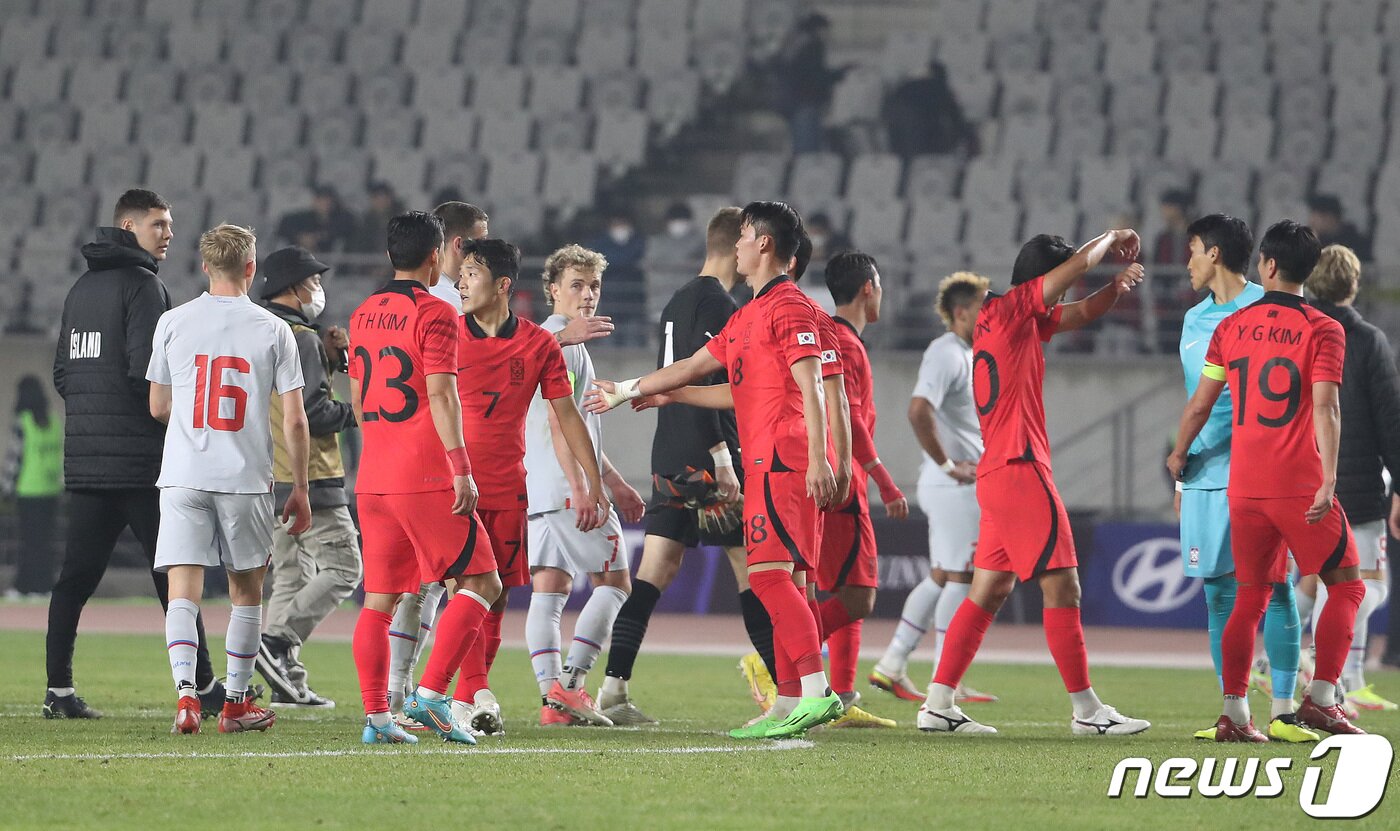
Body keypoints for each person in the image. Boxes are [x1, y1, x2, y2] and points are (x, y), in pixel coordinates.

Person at [588, 201, 844, 739]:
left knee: (771, 576)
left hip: (785, 459)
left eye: (747, 235)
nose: (740, 244)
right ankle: (788, 701)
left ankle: (816, 693)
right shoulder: (747, 314)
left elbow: (812, 384)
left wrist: (820, 458)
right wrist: (639, 391)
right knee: (787, 578)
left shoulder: (789, 307)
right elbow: (707, 375)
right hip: (763, 459)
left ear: (765, 245)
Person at [917, 230, 1151, 736]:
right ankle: (1088, 713)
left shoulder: (1009, 320)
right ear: (1044, 278)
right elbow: (1072, 277)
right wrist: (1113, 237)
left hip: (998, 474)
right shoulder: (1008, 309)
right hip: (1020, 469)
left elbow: (1080, 312)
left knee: (988, 592)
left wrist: (1116, 287)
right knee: (1063, 585)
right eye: (1057, 283)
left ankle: (937, 704)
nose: (1061, 297)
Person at [1169, 220, 1367, 741]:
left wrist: (1178, 455)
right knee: (1348, 587)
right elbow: (1326, 406)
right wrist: (1328, 477)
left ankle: (1234, 714)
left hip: (1243, 486)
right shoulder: (1325, 328)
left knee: (1248, 597)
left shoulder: (1227, 328)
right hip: (1298, 484)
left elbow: (1200, 403)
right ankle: (1321, 699)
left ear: (1269, 266)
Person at [47, 189, 221, 720]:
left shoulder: (80, 289)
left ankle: (58, 692)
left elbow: (62, 374)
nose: (168, 233)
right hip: (142, 460)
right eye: (158, 225)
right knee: (175, 574)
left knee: (74, 579)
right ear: (128, 225)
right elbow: (147, 373)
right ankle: (205, 686)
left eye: (169, 225)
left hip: (87, 461)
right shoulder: (144, 286)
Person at [148, 223, 312, 735]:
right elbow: (295, 420)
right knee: (246, 591)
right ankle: (237, 703)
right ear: (250, 267)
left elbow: (158, 406)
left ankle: (186, 698)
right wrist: (301, 487)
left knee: (183, 589)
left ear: (204, 266)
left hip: (183, 474)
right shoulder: (272, 329)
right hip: (244, 477)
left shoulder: (173, 322)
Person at [441, 239, 610, 735]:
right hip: (456, 487)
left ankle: (467, 695)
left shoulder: (538, 343)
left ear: (502, 285)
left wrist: (597, 480)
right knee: (459, 591)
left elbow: (568, 416)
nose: (461, 283)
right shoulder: (447, 334)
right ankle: (438, 694)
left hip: (511, 487)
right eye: (461, 273)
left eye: (471, 274)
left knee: (494, 600)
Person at [348, 211, 502, 746]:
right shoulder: (436, 312)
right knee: (483, 580)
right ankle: (433, 694)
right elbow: (440, 392)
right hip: (423, 473)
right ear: (436, 256)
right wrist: (461, 467)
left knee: (379, 599)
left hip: (374, 474)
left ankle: (378, 718)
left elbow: (356, 397)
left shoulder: (364, 312)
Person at [597, 208, 752, 726]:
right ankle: (787, 694)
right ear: (737, 247)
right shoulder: (719, 304)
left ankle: (613, 690)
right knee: (754, 571)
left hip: (669, 453)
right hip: (706, 458)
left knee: (654, 573)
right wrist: (723, 456)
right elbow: (704, 383)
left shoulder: (676, 300)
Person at [523, 245, 642, 728]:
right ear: (553, 290)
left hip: (542, 484)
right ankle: (569, 689)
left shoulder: (548, 338)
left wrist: (612, 479)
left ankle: (553, 699)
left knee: (549, 590)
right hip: (565, 484)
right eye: (576, 284)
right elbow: (557, 417)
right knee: (615, 583)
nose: (588, 294)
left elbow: (577, 426)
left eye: (594, 285)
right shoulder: (564, 341)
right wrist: (584, 487)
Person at [870, 272, 997, 706]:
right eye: (984, 305)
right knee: (963, 575)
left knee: (943, 576)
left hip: (952, 483)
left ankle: (892, 664)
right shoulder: (946, 353)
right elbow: (918, 409)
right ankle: (949, 680)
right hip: (953, 484)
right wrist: (947, 463)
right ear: (962, 312)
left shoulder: (966, 352)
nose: (991, 312)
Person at [254, 246, 360, 709]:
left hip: (267, 474)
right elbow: (314, 412)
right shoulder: (302, 337)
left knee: (292, 577)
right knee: (344, 568)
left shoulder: (260, 330)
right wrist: (360, 412)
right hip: (310, 475)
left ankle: (285, 679)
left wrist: (331, 361)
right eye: (314, 282)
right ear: (295, 288)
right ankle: (276, 642)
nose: (319, 289)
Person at [807, 251, 908, 728]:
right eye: (881, 284)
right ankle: (778, 662)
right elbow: (844, 413)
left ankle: (841, 698)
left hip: (839, 477)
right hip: (846, 479)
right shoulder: (843, 343)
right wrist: (885, 480)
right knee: (859, 594)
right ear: (869, 288)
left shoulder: (840, 338)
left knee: (845, 588)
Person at [1298, 244, 1400, 713]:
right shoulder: (1368, 340)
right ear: (1353, 285)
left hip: (1296, 477)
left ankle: (1334, 674)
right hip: (1354, 486)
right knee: (1366, 586)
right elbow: (1390, 421)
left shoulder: (1296, 332)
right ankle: (1325, 676)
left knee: (1316, 581)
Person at [2, 376, 63, 598]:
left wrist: (6, 488)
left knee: (27, 542)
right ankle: (44, 585)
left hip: (28, 491)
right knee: (45, 542)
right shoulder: (54, 421)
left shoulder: (23, 421)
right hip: (50, 490)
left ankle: (24, 586)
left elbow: (14, 459)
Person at [883, 59, 978, 157]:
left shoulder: (906, 87)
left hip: (899, 136)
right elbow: (957, 119)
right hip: (921, 138)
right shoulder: (940, 89)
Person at [777, 13, 834, 153]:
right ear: (818, 29)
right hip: (806, 103)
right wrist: (839, 75)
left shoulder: (794, 43)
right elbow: (816, 75)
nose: (828, 35)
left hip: (791, 102)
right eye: (826, 30)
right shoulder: (813, 45)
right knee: (808, 152)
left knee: (801, 148)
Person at [588, 210, 647, 342]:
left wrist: (612, 263)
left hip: (634, 300)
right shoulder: (600, 242)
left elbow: (607, 260)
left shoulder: (638, 241)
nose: (620, 228)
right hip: (609, 299)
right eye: (616, 224)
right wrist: (630, 262)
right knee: (608, 340)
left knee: (633, 340)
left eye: (623, 224)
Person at [426, 201, 490, 310]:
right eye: (481, 242)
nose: (486, 250)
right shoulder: (457, 306)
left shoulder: (413, 293)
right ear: (459, 245)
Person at [275, 184, 356, 253]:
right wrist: (300, 237)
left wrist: (318, 237)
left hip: (328, 261)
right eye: (321, 200)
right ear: (314, 201)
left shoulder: (341, 218)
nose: (325, 204)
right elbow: (284, 225)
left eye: (328, 201)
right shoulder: (303, 218)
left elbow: (346, 227)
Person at [1307, 194, 1373, 263]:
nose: (1311, 222)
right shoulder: (1316, 241)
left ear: (1330, 218)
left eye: (1316, 217)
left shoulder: (1356, 243)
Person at [354, 182, 404, 253]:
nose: (381, 201)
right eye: (377, 198)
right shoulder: (365, 222)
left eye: (384, 197)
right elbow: (361, 245)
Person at [1152, 190, 1193, 267]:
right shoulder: (1162, 239)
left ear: (1178, 208)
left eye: (1167, 207)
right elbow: (1157, 268)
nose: (1163, 212)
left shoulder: (1199, 238)